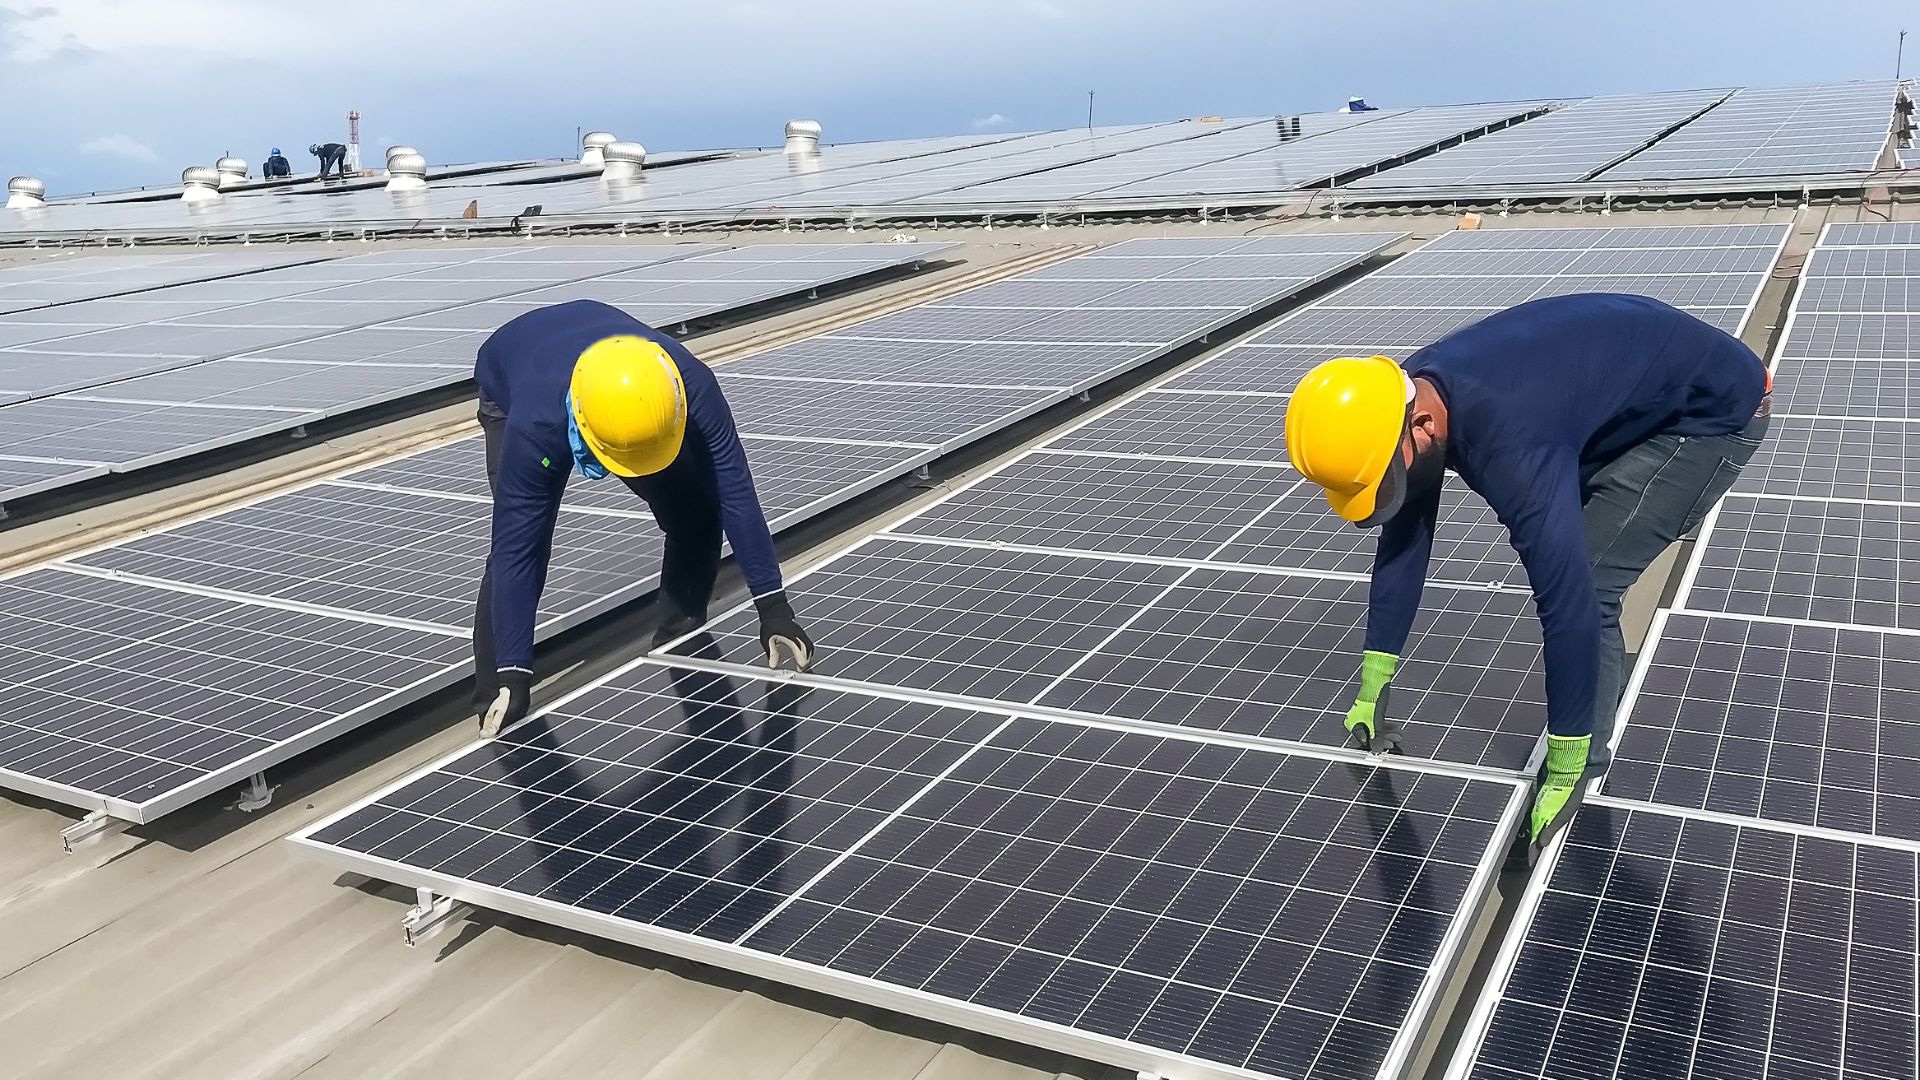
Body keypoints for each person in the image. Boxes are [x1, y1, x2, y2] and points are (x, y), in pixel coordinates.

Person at [1285, 293, 1771, 854]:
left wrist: (1564, 754)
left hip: (1710, 415)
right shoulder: (1403, 398)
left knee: (1592, 576)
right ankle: (1584, 724)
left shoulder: (1514, 443)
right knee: (1575, 545)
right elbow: (1406, 530)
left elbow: (1566, 601)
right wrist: (1376, 674)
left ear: (1419, 425)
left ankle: (1586, 761)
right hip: (1623, 389)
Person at [471, 298, 815, 738]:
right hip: (515, 376)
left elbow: (735, 493)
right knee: (522, 541)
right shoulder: (534, 426)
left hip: (616, 372)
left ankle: (680, 638)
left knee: (696, 512)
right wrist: (513, 671)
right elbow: (515, 552)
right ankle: (494, 694)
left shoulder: (691, 385)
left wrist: (773, 607)